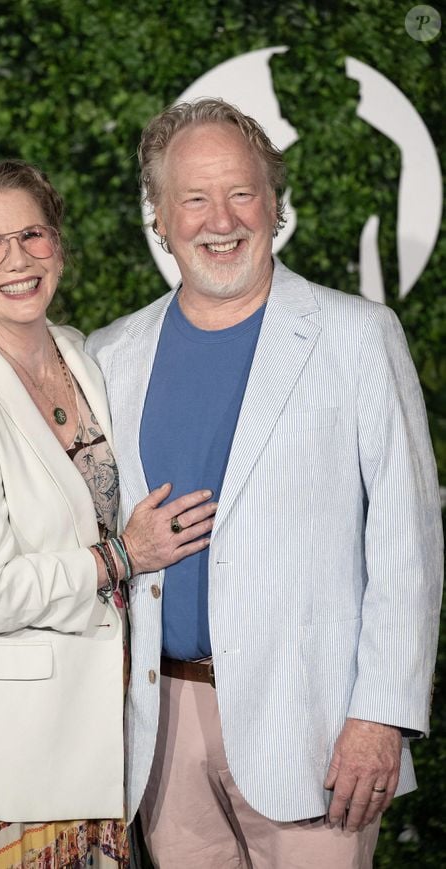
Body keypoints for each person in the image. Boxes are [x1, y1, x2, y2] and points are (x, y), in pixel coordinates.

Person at [83, 99, 444, 868]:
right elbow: (62, 494)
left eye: (241, 192)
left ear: (275, 204)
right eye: (194, 198)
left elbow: (407, 542)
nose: (221, 220)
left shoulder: (358, 336)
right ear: (159, 219)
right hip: (161, 730)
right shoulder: (111, 354)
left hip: (316, 727)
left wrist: (380, 716)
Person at [0, 159, 217, 869]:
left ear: (58, 248)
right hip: (3, 767)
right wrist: (122, 557)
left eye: (32, 234)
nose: (17, 259)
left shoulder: (81, 354)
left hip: (98, 743)